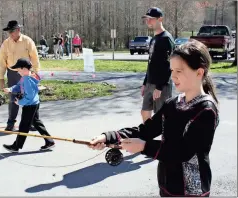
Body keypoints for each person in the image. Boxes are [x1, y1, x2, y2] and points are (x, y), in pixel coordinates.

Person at [88, 40, 220, 197]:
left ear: (199, 73)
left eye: (179, 71)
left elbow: (184, 152)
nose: (173, 76)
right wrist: (108, 137)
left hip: (191, 191)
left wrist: (144, 147)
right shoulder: (173, 104)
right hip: (167, 185)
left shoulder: (206, 110)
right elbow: (145, 131)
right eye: (172, 70)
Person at [3, 58, 55, 152]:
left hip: (30, 105)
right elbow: (18, 86)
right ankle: (49, 141)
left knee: (23, 126)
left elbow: (29, 97)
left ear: (24, 69)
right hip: (34, 103)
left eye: (18, 70)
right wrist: (11, 89)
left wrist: (20, 102)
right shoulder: (26, 77)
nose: (18, 72)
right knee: (37, 123)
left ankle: (16, 146)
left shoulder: (27, 80)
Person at [0, 20, 40, 131]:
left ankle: (33, 122)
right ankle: (11, 123)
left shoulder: (28, 41)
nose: (11, 34)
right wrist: (1, 78)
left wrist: (35, 73)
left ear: (18, 30)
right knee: (13, 98)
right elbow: (2, 62)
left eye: (12, 31)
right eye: (9, 32)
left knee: (30, 97)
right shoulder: (6, 44)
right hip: (12, 73)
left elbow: (35, 58)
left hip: (27, 73)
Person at [141, 7, 175, 123]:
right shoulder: (154, 39)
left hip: (162, 85)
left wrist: (159, 87)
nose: (148, 21)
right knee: (145, 112)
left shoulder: (166, 39)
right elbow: (150, 62)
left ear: (160, 19)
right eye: (147, 19)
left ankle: (166, 140)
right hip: (150, 83)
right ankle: (148, 137)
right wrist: (145, 83)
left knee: (162, 116)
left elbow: (169, 65)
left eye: (151, 19)